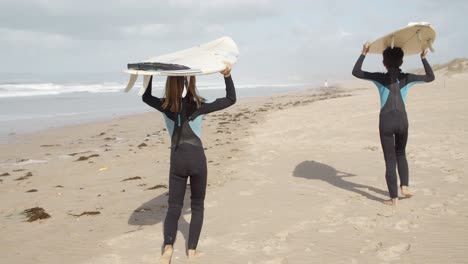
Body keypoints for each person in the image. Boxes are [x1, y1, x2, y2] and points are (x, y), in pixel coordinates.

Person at [142, 63, 236, 262]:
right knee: (197, 205)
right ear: (190, 81)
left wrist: (148, 75)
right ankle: (192, 251)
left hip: (177, 160)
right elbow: (230, 99)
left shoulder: (165, 105)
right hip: (197, 160)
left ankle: (167, 248)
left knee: (174, 206)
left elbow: (145, 97)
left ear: (169, 83)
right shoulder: (199, 104)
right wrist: (226, 75)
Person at [352, 43, 435, 205]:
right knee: (401, 153)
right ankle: (405, 186)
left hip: (386, 122)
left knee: (390, 159)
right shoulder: (408, 78)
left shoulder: (379, 77)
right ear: (402, 62)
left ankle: (393, 198)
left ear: (384, 62)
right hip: (403, 121)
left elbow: (356, 72)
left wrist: (363, 53)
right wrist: (423, 58)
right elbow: (430, 77)